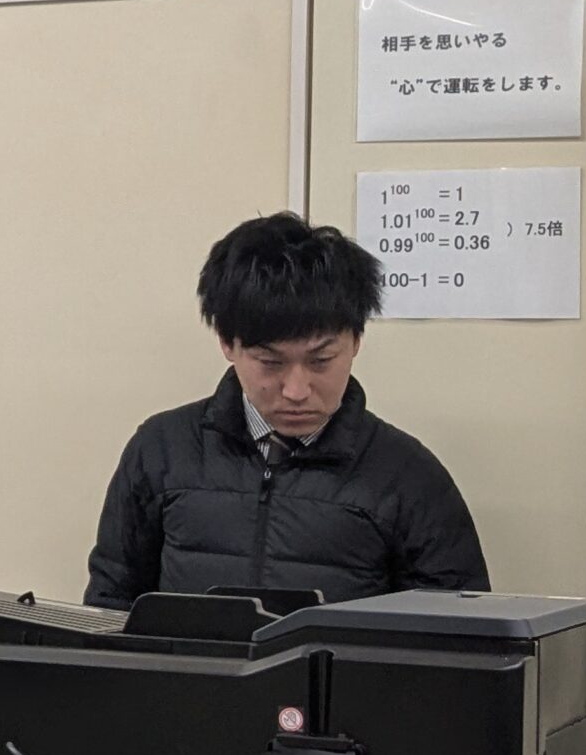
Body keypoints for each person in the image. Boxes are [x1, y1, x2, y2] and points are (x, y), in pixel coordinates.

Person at [86, 212, 487, 609]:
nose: (296, 391)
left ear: (356, 341)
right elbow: (111, 606)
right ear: (227, 343)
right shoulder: (162, 450)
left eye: (321, 361)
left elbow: (456, 629)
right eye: (270, 362)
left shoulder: (407, 474)